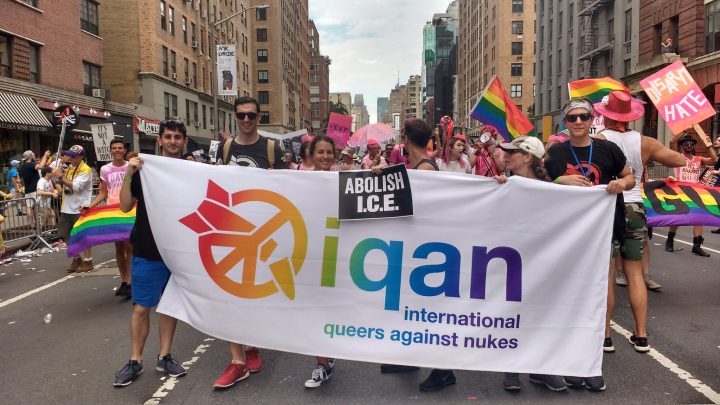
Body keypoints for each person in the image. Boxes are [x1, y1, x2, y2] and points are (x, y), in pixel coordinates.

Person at [545, 98, 635, 392]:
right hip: (567, 235)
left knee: (596, 295)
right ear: (565, 122)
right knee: (568, 296)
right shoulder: (556, 153)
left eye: (584, 116)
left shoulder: (609, 149)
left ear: (591, 119)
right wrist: (559, 181)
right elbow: (538, 186)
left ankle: (590, 363)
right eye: (572, 118)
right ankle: (570, 361)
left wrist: (621, 184)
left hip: (601, 232)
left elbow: (630, 177)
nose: (579, 122)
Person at [594, 90, 687, 357]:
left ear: (606, 115)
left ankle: (606, 336)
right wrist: (657, 152)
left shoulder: (599, 140)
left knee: (607, 273)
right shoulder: (644, 142)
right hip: (635, 207)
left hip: (608, 206)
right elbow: (680, 160)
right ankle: (642, 335)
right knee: (635, 272)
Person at [213, 96, 285, 389]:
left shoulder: (272, 148)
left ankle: (253, 346)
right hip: (230, 231)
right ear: (234, 116)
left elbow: (289, 190)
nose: (246, 120)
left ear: (259, 117)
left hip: (264, 232)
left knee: (254, 295)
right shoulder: (225, 148)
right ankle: (237, 360)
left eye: (251, 115)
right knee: (231, 294)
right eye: (241, 115)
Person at [378, 119, 455, 392]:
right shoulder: (419, 167)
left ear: (406, 139)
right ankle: (410, 358)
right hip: (416, 248)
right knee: (412, 307)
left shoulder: (425, 169)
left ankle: (444, 370)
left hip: (426, 252)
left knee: (429, 311)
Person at [113, 120, 189, 387]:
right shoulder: (143, 170)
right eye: (168, 136)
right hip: (147, 247)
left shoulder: (191, 172)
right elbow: (125, 206)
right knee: (142, 307)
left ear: (184, 141)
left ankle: (164, 356)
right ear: (159, 140)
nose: (172, 141)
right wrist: (129, 172)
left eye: (177, 137)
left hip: (178, 250)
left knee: (169, 306)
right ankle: (135, 360)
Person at [492, 136, 568, 392]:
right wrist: (495, 190)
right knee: (512, 313)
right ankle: (512, 368)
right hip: (512, 260)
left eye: (512, 152)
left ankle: (542, 369)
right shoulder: (504, 185)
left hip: (543, 261)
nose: (506, 156)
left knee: (542, 314)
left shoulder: (550, 189)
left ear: (527, 157)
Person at [304, 135, 339, 388]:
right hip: (310, 255)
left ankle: (329, 351)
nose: (325, 156)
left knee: (331, 308)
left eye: (329, 152)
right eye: (320, 152)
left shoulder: (345, 181)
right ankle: (322, 364)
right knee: (314, 310)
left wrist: (374, 173)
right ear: (311, 155)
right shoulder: (300, 181)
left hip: (337, 255)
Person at [88, 139, 133, 298]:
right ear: (110, 150)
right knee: (119, 248)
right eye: (114, 148)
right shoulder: (105, 169)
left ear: (124, 150)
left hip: (129, 210)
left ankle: (130, 282)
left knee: (129, 247)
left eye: (120, 148)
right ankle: (124, 281)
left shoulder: (131, 166)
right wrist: (90, 206)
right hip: (113, 212)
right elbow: (103, 193)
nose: (117, 150)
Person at [665, 132, 718, 256]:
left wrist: (708, 145)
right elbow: (672, 142)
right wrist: (683, 130)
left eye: (691, 144)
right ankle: (670, 239)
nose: (689, 146)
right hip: (680, 190)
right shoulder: (677, 157)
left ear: (694, 146)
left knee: (699, 217)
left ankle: (697, 245)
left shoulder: (699, 159)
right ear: (682, 145)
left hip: (695, 191)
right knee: (677, 217)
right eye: (686, 144)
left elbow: (714, 160)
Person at [52, 145, 94, 273]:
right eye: (69, 155)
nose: (70, 158)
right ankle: (76, 258)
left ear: (81, 157)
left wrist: (61, 177)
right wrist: (58, 177)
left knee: (82, 236)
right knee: (64, 234)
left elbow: (76, 187)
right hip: (67, 207)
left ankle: (88, 261)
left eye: (73, 156)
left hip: (80, 208)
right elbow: (62, 183)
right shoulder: (69, 168)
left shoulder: (86, 169)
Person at [20, 150, 49, 227]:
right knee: (38, 207)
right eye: (33, 155)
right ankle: (39, 225)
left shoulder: (23, 166)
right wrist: (45, 155)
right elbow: (40, 166)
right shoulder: (30, 164)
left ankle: (32, 224)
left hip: (27, 190)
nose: (34, 156)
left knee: (29, 207)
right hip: (35, 189)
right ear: (30, 156)